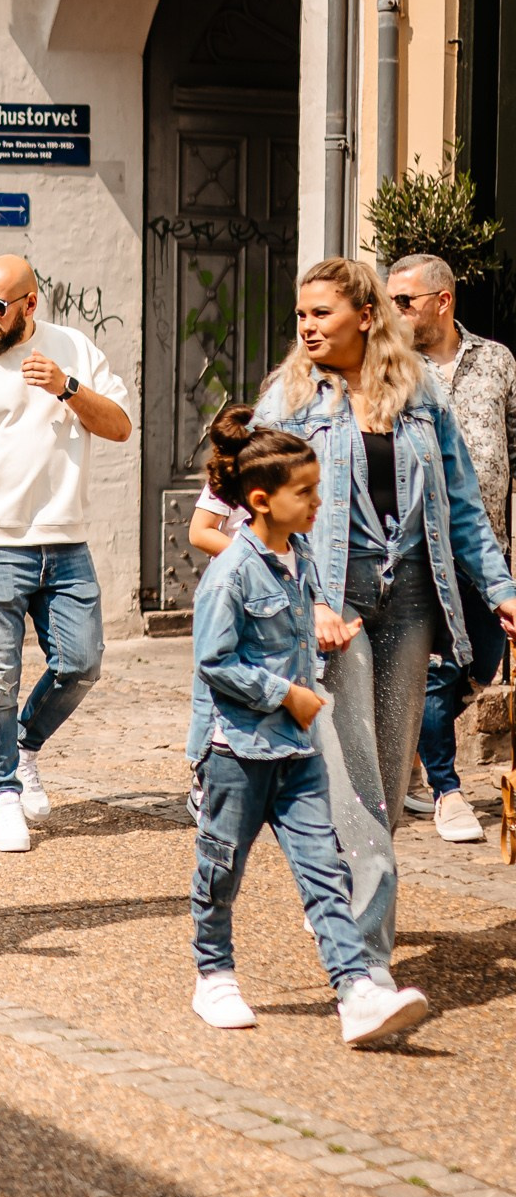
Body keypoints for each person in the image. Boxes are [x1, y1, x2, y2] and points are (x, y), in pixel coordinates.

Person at [254, 258, 516, 984]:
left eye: (322, 314)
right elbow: (255, 517)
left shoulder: (418, 393)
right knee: (362, 779)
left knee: (392, 779)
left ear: (365, 317)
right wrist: (304, 602)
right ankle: (365, 966)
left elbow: (460, 501)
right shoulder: (288, 398)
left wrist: (501, 587)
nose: (306, 327)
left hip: (410, 599)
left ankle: (337, 889)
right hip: (333, 598)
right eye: (301, 315)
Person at [184, 406, 432, 1046]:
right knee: (221, 868)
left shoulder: (301, 560)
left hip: (297, 755)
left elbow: (302, 640)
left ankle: (355, 992)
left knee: (324, 869)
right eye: (307, 493)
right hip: (238, 753)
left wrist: (331, 642)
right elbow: (214, 662)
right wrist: (284, 692)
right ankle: (213, 974)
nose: (320, 503)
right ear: (262, 501)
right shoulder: (230, 573)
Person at [0, 254, 133, 853]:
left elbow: (119, 426)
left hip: (64, 537)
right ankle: (3, 793)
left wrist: (66, 387)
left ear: (30, 305)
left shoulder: (73, 347)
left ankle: (24, 743)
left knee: (81, 662)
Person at [391, 252, 513, 843]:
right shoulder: (391, 369)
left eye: (404, 300)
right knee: (436, 669)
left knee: (482, 663)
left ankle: (412, 744)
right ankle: (447, 789)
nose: (394, 310)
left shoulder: (498, 361)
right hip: (423, 555)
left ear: (443, 301)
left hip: (487, 549)